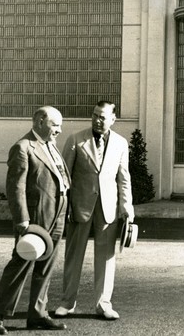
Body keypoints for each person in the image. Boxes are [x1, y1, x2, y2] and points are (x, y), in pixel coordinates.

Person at [0, 106, 69, 335]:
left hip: (57, 214)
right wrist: (22, 219)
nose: (59, 130)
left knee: (46, 266)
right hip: (35, 218)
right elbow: (16, 187)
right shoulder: (22, 147)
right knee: (21, 264)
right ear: (40, 121)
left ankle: (38, 314)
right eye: (55, 125)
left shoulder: (50, 145)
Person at [53, 100, 135, 321]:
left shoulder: (120, 143)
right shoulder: (76, 139)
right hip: (80, 206)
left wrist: (126, 206)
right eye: (95, 115)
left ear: (113, 119)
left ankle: (103, 304)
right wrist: (65, 207)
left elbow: (124, 178)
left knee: (106, 257)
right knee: (73, 255)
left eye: (103, 117)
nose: (98, 120)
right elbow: (64, 177)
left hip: (108, 208)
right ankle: (67, 303)